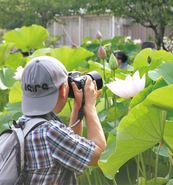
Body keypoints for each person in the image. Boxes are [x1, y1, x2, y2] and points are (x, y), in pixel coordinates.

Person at [17, 56, 106, 184]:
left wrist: (78, 107)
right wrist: (90, 107)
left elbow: (70, 151)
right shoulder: (50, 132)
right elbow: (100, 154)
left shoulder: (22, 124)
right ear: (64, 89)